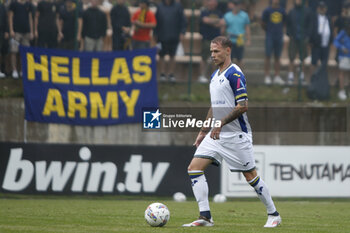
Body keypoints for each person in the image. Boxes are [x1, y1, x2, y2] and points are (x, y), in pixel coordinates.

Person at [183, 36, 281, 228]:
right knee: (194, 168)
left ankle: (274, 214)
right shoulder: (214, 76)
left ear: (228, 51)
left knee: (250, 176)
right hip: (215, 134)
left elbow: (243, 106)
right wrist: (204, 130)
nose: (212, 55)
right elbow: (214, 106)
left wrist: (220, 123)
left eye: (216, 51)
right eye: (211, 51)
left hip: (236, 135)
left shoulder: (234, 74)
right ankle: (205, 217)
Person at [155, 0, 186, 82]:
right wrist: (155, 34)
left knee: (172, 55)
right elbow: (156, 21)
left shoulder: (178, 6)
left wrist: (182, 32)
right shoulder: (160, 6)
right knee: (161, 55)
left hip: (174, 35)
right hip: (162, 35)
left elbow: (183, 20)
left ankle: (171, 74)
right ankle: (162, 74)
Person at [286, 0, 312, 85]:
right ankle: (290, 76)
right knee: (291, 57)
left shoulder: (307, 11)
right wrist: (289, 34)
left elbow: (309, 24)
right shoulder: (291, 11)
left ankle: (302, 76)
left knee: (303, 58)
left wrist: (307, 36)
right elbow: (288, 24)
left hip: (303, 38)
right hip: (293, 37)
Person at [198, 0, 223, 83]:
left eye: (214, 2)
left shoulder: (219, 12)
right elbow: (205, 20)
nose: (212, 3)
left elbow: (222, 23)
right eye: (210, 1)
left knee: (215, 59)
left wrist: (211, 21)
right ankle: (202, 76)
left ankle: (214, 76)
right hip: (206, 38)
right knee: (204, 58)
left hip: (216, 40)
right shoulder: (204, 11)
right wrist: (216, 22)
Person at [262, 0, 286, 85]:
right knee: (268, 56)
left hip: (279, 37)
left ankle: (277, 76)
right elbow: (263, 23)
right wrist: (268, 30)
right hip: (270, 36)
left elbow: (284, 23)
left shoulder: (282, 11)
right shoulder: (267, 11)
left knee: (277, 56)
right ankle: (267, 76)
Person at [8, 0, 34, 79]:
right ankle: (14, 70)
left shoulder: (28, 4)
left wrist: (31, 31)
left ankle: (22, 70)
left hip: (26, 32)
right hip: (16, 32)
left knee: (25, 52)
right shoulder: (14, 3)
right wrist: (11, 30)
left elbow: (30, 18)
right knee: (14, 51)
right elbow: (10, 17)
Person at [222, 0, 250, 68]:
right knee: (229, 59)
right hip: (229, 40)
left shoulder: (244, 15)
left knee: (240, 59)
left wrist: (248, 39)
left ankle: (239, 76)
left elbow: (247, 28)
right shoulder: (227, 15)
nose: (236, 6)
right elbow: (223, 28)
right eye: (235, 4)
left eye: (238, 5)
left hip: (239, 40)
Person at [310, 1, 333, 74]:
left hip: (326, 44)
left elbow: (331, 30)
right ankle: (313, 80)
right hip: (317, 44)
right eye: (320, 8)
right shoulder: (314, 17)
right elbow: (311, 29)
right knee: (314, 62)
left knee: (324, 63)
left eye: (323, 8)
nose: (322, 9)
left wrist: (331, 40)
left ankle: (322, 80)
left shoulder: (328, 18)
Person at [334, 21, 350, 100]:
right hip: (344, 56)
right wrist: (342, 48)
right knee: (342, 73)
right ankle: (341, 91)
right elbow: (335, 41)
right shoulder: (343, 32)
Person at [0, 1, 8, 78]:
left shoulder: (2, 6)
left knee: (3, 51)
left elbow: (6, 19)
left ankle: (2, 69)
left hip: (2, 31)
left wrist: (6, 31)